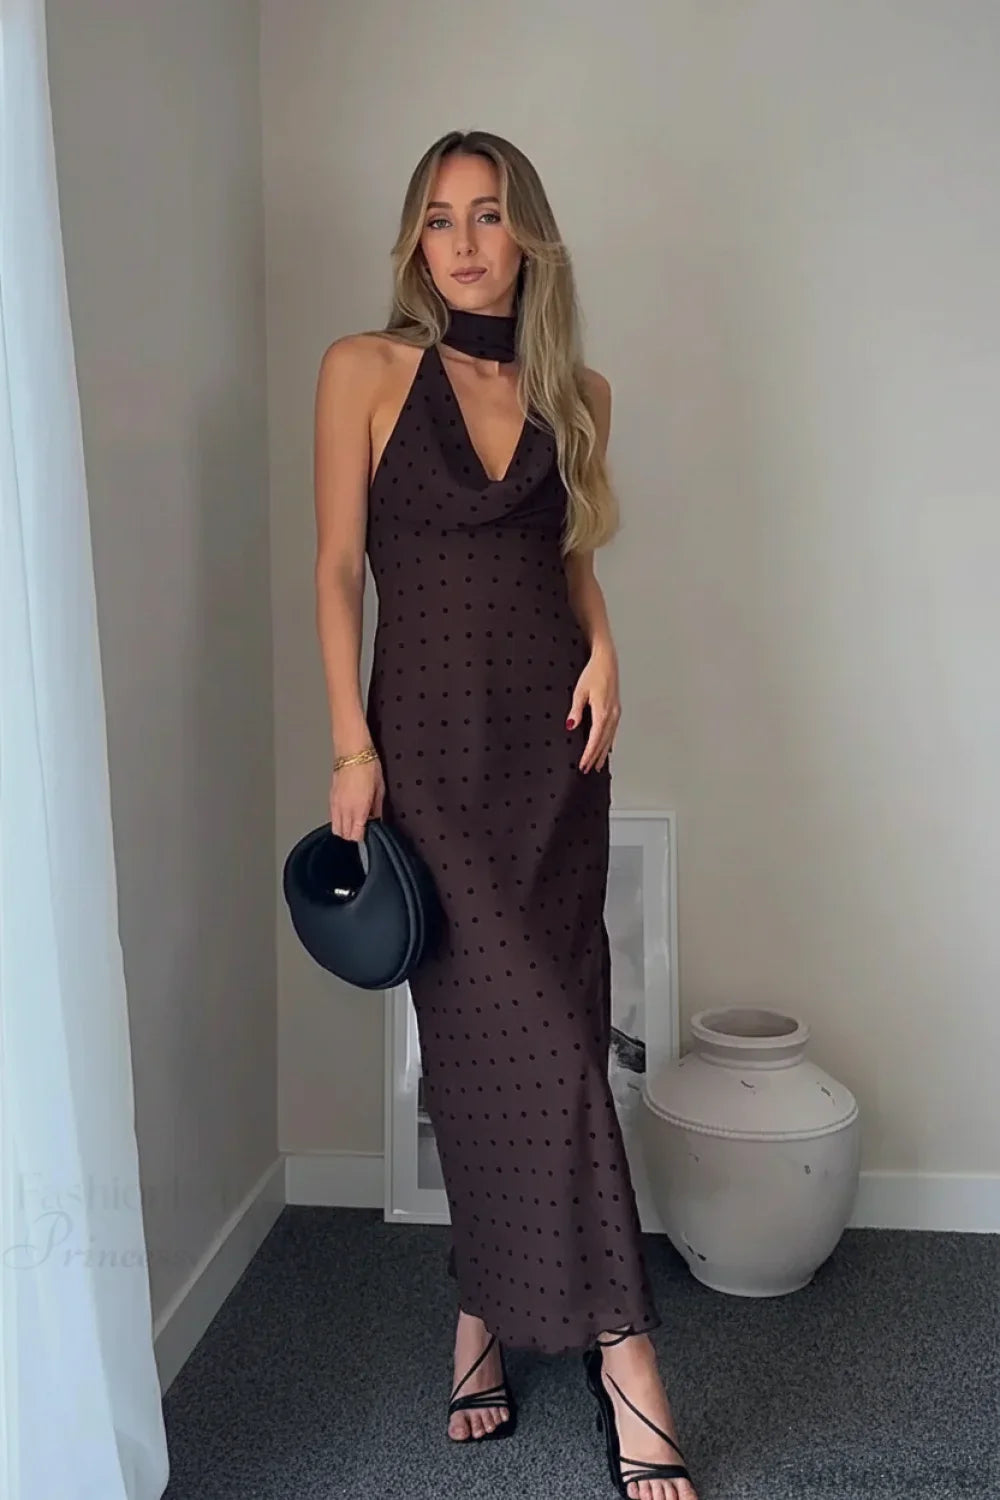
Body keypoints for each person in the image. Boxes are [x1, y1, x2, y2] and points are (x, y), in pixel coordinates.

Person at [312, 128, 698, 1500]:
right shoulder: (365, 371)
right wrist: (350, 745)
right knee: (516, 1043)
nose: (465, 243)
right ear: (415, 241)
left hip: (554, 751)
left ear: (528, 235)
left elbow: (572, 558)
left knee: (550, 1037)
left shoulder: (576, 392)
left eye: (487, 216)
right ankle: (629, 1360)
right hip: (426, 755)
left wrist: (609, 649)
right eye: (440, 218)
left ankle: (481, 1314)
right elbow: (338, 568)